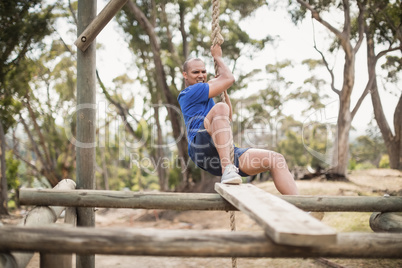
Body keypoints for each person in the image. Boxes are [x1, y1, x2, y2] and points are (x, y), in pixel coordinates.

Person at [177, 44, 298, 195]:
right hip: (200, 146)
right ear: (185, 75)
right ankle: (227, 168)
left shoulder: (206, 96)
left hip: (223, 152)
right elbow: (229, 78)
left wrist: (223, 91)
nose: (201, 75)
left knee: (276, 159)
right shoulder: (189, 93)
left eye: (203, 71)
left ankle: (301, 207)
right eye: (195, 72)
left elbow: (227, 117)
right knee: (220, 107)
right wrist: (217, 57)